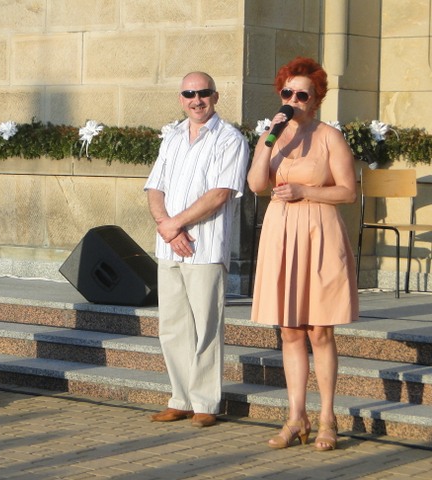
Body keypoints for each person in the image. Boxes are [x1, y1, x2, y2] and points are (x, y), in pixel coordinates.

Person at [247, 57, 359, 450]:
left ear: (316, 100)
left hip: (319, 230)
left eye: (302, 95)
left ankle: (328, 418)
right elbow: (257, 184)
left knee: (320, 330)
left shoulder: (330, 137)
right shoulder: (272, 135)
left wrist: (304, 190)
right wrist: (268, 141)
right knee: (290, 330)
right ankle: (296, 417)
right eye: (287, 93)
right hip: (281, 232)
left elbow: (348, 192)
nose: (293, 100)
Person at [145, 72, 249, 428]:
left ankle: (205, 402)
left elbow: (220, 194)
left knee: (206, 327)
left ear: (215, 96)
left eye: (203, 93)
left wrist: (175, 224)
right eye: (189, 93)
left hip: (204, 247)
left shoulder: (230, 139)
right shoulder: (172, 137)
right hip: (169, 246)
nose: (196, 99)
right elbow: (155, 187)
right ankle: (181, 399)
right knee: (172, 326)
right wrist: (166, 225)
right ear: (181, 99)